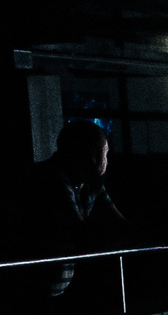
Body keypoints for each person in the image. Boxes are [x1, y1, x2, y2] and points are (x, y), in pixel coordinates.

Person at [31, 121, 128, 302]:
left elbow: (119, 222)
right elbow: (81, 235)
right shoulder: (53, 180)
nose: (107, 160)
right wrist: (145, 232)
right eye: (105, 153)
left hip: (51, 292)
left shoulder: (86, 183)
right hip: (31, 293)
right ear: (92, 155)